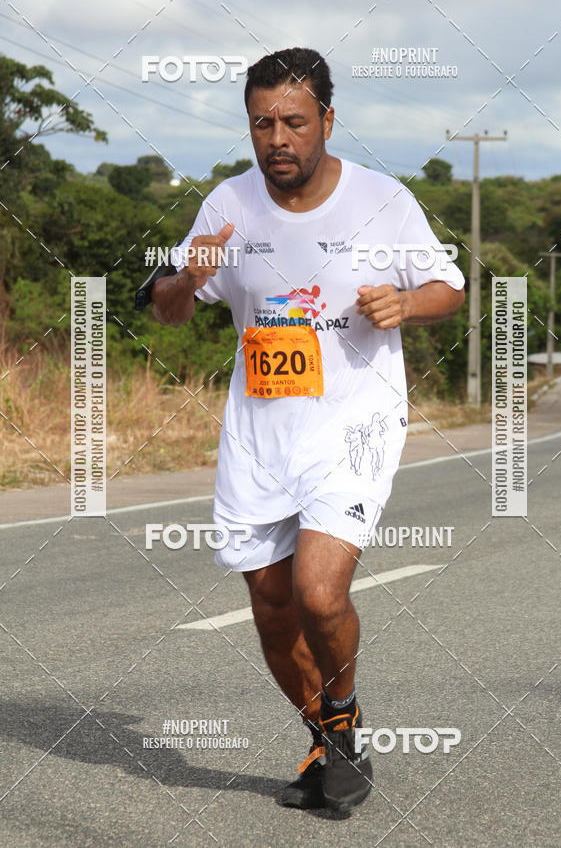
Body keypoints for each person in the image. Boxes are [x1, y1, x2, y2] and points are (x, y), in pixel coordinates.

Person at [151, 47, 465, 814]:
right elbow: (167, 304)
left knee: (318, 593)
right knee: (270, 604)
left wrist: (405, 305)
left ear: (327, 119)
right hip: (260, 431)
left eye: (294, 121)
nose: (278, 139)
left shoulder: (382, 200)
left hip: (353, 425)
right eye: (263, 124)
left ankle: (341, 718)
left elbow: (448, 286)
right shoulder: (226, 205)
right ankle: (333, 739)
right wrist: (189, 278)